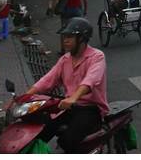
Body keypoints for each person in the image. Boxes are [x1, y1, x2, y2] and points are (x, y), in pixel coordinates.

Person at [25, 18, 108, 152]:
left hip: (91, 109)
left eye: (70, 37)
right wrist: (25, 96)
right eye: (64, 37)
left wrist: (74, 97)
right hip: (69, 106)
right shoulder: (65, 59)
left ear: (82, 38)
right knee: (40, 132)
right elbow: (47, 80)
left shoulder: (97, 57)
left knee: (67, 141)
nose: (65, 41)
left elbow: (91, 80)